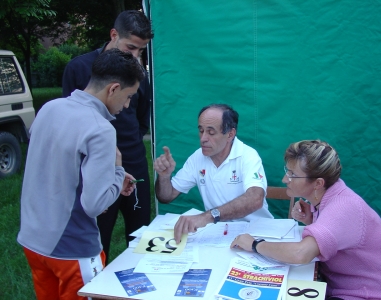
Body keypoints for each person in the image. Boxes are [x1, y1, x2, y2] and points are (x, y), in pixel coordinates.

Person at [17, 48, 145, 300]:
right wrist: (117, 171)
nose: (127, 105)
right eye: (129, 96)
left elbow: (55, 165)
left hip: (33, 240)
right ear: (113, 89)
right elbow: (94, 204)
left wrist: (108, 177)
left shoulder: (50, 108)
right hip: (72, 249)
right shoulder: (101, 129)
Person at [231, 140, 381, 299]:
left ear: (318, 183)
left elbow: (301, 254)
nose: (285, 180)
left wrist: (254, 244)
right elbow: (339, 235)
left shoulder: (344, 207)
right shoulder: (331, 194)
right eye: (286, 172)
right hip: (347, 287)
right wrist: (312, 220)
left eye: (292, 175)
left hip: (376, 293)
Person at [62, 10, 154, 264]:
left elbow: (141, 118)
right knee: (97, 235)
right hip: (93, 166)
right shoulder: (79, 68)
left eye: (141, 51)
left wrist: (126, 149)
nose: (135, 57)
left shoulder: (140, 75)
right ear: (114, 35)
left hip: (134, 161)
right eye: (130, 47)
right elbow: (68, 120)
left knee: (140, 235)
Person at [154, 104, 273, 243]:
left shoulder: (247, 156)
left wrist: (208, 216)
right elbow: (166, 196)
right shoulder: (197, 157)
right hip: (219, 234)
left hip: (257, 234)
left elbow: (255, 199)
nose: (203, 138)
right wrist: (164, 176)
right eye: (201, 130)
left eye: (211, 132)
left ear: (230, 134)